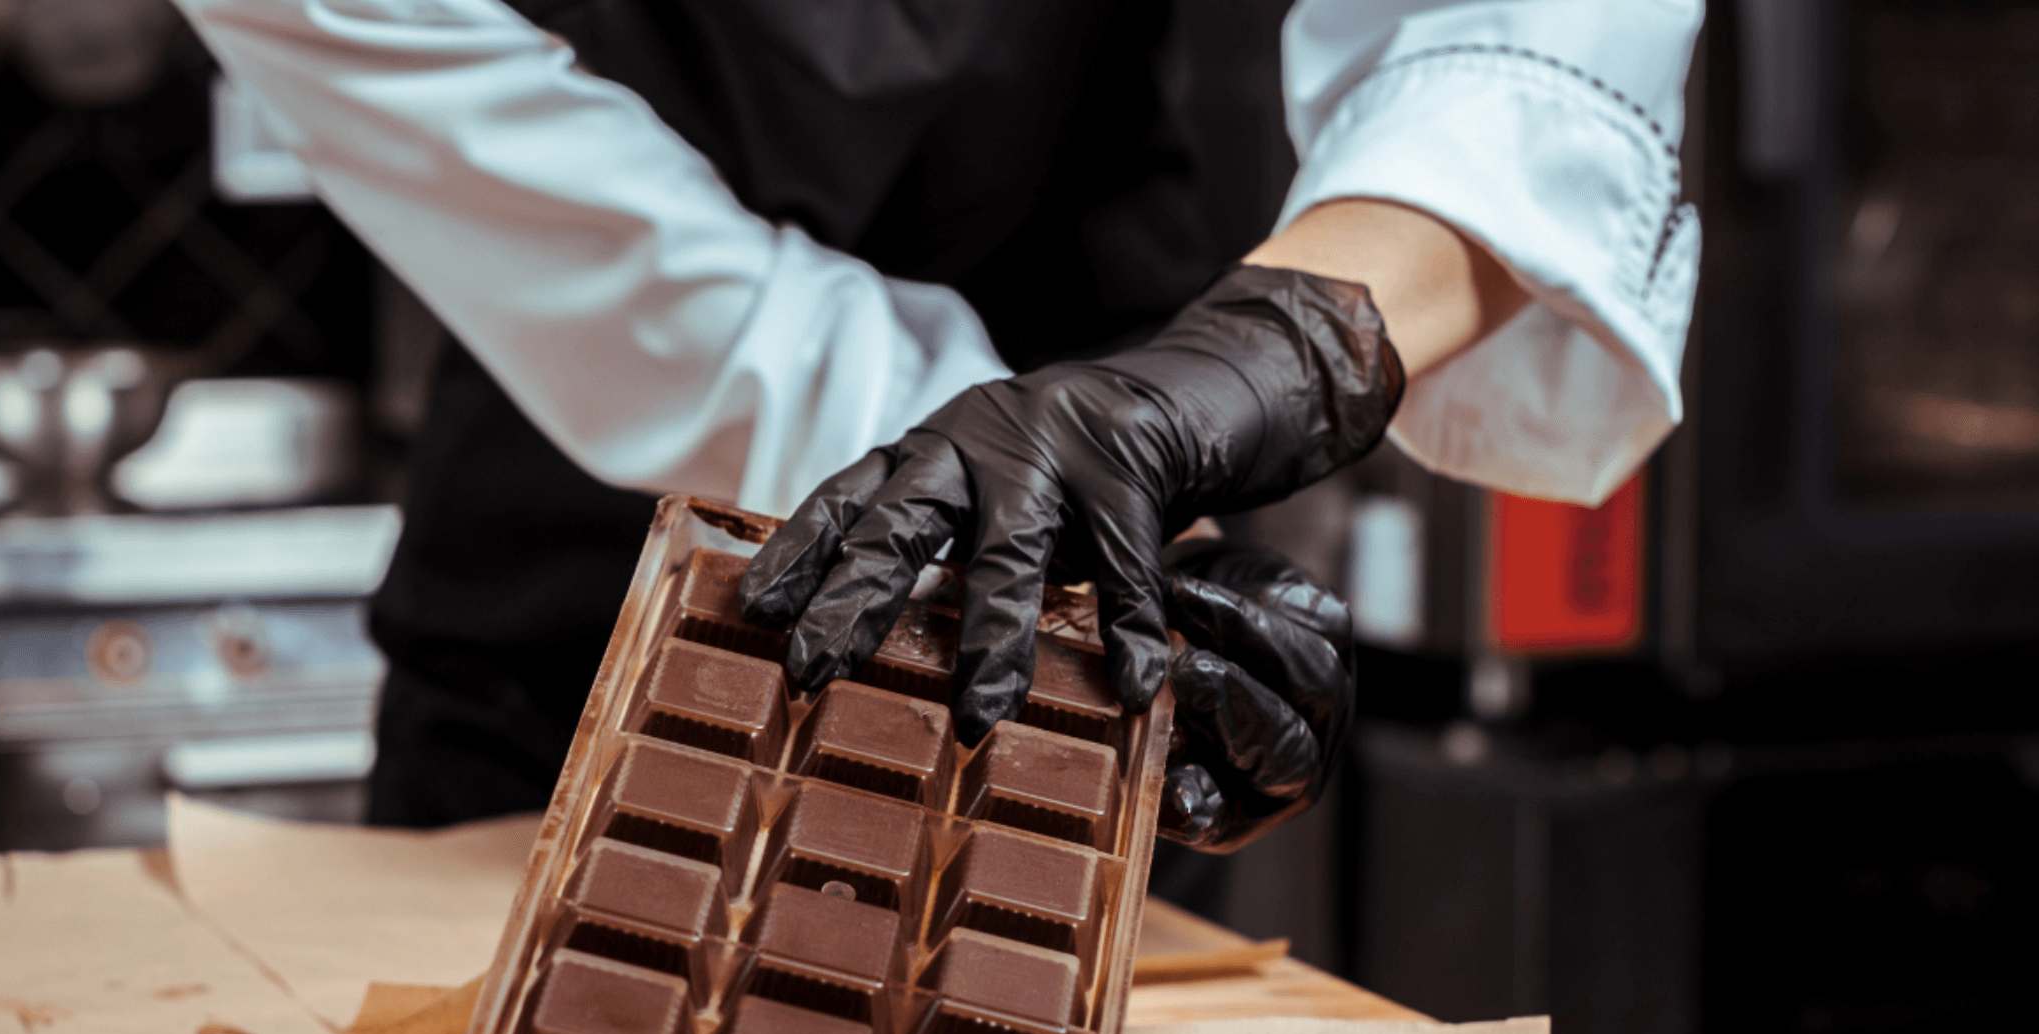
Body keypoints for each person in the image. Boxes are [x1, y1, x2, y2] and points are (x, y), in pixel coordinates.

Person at [178, 0, 1700, 855]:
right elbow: (665, 291)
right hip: (588, 619)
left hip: (1093, 566)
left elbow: (1517, 41)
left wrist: (1270, 358)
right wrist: (1081, 545)